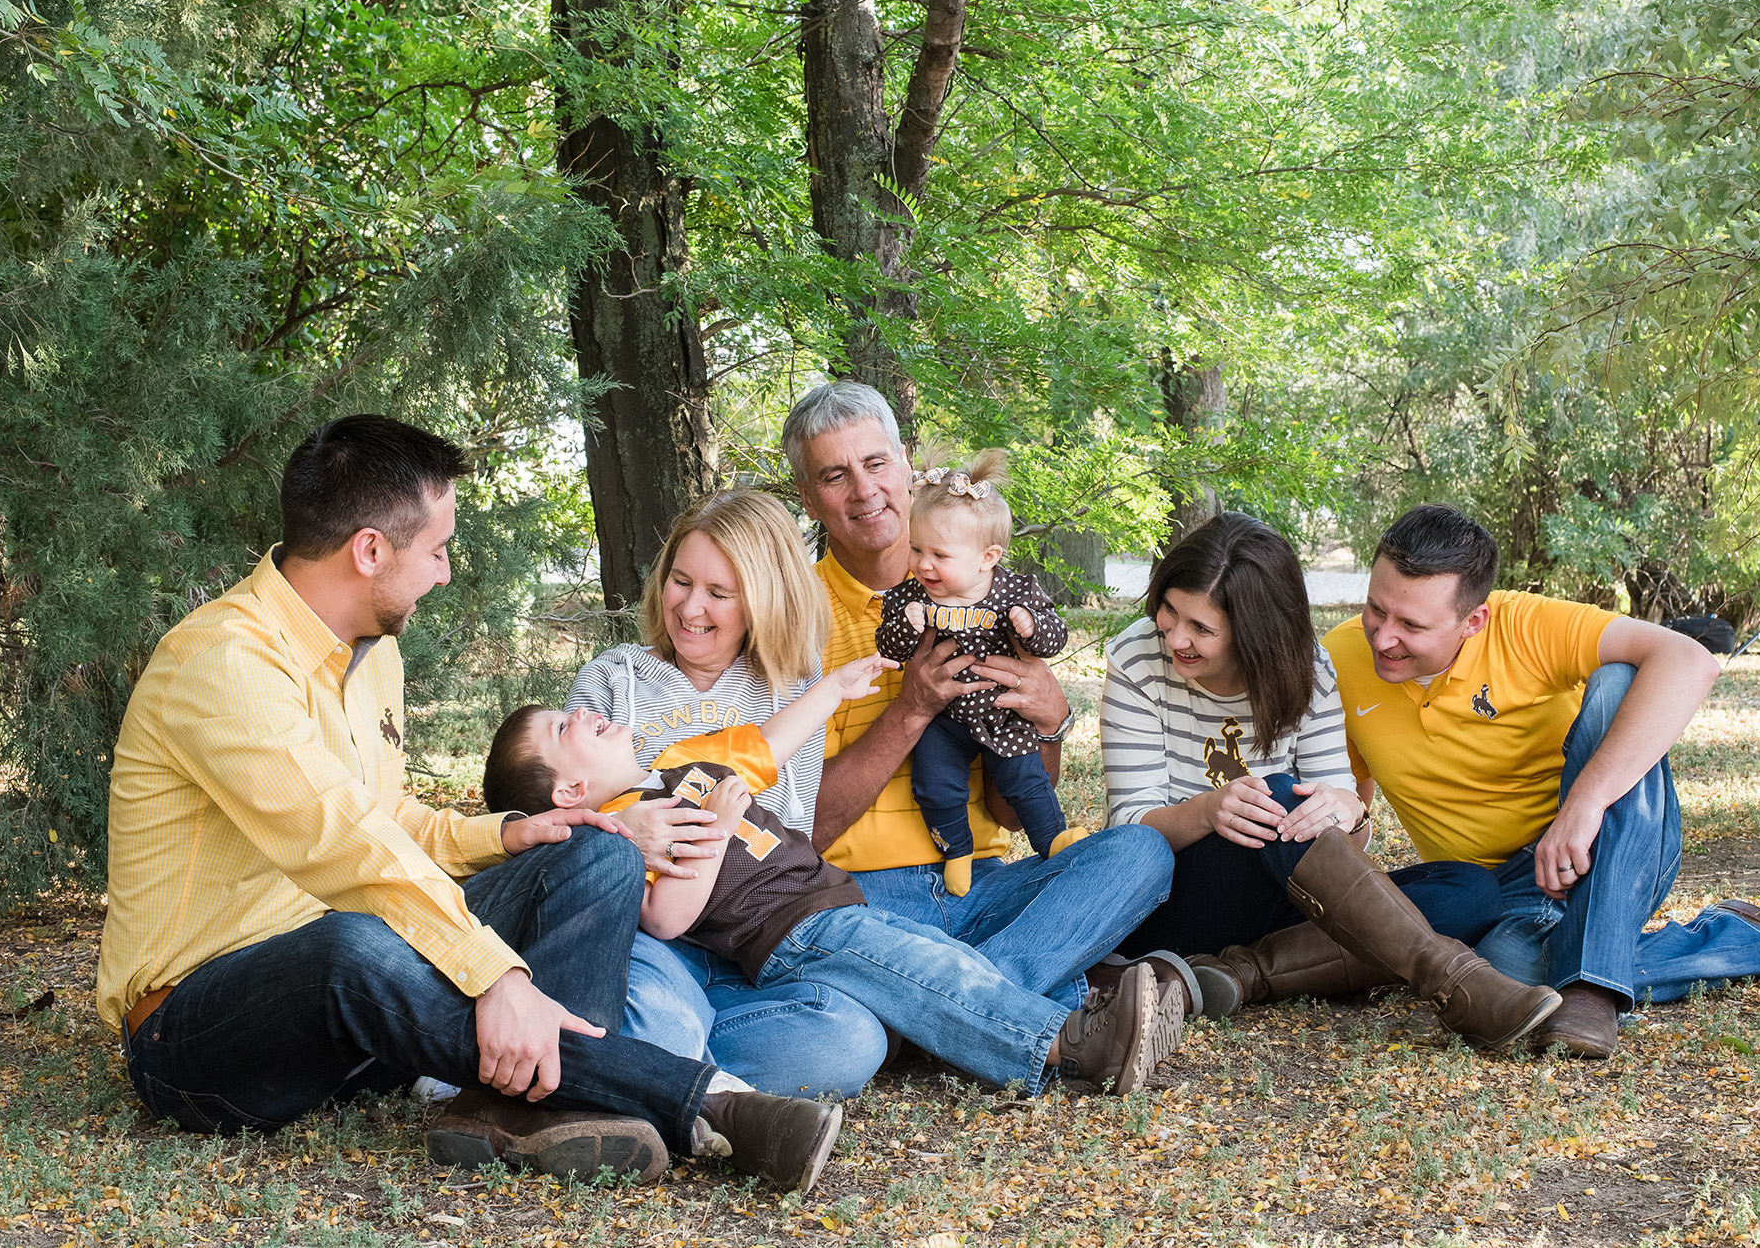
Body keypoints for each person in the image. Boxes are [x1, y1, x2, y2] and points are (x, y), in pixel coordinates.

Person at [97, 415, 840, 1191]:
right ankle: (708, 1105)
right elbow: (347, 847)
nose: (446, 571)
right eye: (437, 549)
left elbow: (390, 817)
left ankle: (518, 1110)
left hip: (362, 1004)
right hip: (203, 1034)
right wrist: (499, 978)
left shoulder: (371, 655)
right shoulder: (223, 663)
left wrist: (515, 834)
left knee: (598, 848)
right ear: (371, 549)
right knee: (353, 942)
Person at [1328, 504, 1760, 1059]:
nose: (1383, 638)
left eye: (1412, 626)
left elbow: (1690, 661)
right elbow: (1353, 807)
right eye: (1376, 610)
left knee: (1621, 679)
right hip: (1493, 894)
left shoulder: (1525, 625)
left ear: (1474, 620)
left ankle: (1591, 988)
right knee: (1505, 973)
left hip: (1608, 848)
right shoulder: (1338, 662)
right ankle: (1758, 943)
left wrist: (1584, 806)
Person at [481, 663, 1180, 1097]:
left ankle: (983, 1017)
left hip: (832, 897)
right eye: (559, 726)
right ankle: (1067, 1038)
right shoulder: (616, 832)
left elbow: (767, 748)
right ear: (570, 790)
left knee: (929, 964)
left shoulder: (680, 762)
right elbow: (663, 918)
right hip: (785, 930)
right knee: (920, 966)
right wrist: (714, 835)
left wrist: (834, 689)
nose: (578, 711)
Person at [783, 382, 1188, 1047]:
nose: (864, 490)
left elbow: (1009, 810)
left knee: (1142, 852)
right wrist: (910, 711)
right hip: (864, 900)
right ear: (807, 496)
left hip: (985, 886)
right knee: (828, 956)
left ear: (907, 464)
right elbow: (799, 829)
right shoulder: (791, 618)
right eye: (834, 474)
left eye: (876, 463)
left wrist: (1049, 721)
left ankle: (958, 999)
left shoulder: (997, 599)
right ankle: (1033, 1003)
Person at [1102, 513, 1560, 1051]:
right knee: (1273, 794)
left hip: (1288, 901)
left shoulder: (1309, 670)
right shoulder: (1137, 659)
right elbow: (1127, 831)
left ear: (1256, 633)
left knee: (1472, 894)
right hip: (1174, 894)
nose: (1175, 635)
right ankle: (1455, 983)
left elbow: (1344, 843)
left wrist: (1346, 809)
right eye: (1169, 610)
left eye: (1201, 628)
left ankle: (1237, 973)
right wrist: (1210, 810)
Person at [561, 489, 888, 1098]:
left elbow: (785, 832)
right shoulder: (614, 679)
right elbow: (558, 807)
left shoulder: (792, 691)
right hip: (653, 939)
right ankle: (691, 1077)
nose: (689, 607)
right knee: (654, 1000)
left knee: (851, 1039)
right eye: (680, 582)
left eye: (718, 593)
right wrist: (630, 825)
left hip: (745, 942)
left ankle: (652, 1071)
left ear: (761, 601)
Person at [875, 452, 1071, 896]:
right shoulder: (911, 595)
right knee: (934, 784)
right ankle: (957, 851)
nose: (924, 564)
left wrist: (1032, 626)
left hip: (1001, 713)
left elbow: (1055, 638)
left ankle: (1052, 839)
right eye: (916, 549)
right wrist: (906, 623)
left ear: (988, 557)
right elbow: (888, 646)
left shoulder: (1014, 591)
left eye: (939, 554)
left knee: (1025, 778)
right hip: (941, 718)